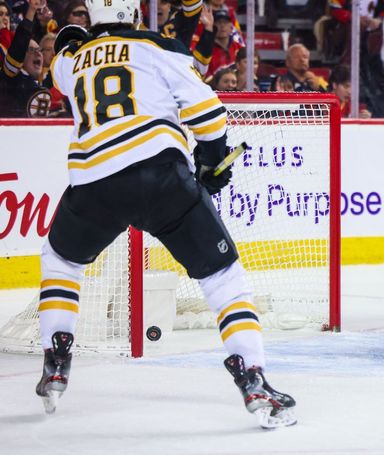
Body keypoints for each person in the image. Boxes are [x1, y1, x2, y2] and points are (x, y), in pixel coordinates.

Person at [35, 0, 296, 429]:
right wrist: (212, 161)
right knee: (223, 279)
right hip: (159, 176)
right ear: (134, 15)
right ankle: (252, 377)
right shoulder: (157, 46)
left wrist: (71, 40)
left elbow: (61, 53)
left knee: (61, 262)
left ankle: (57, 355)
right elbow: (208, 113)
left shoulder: (74, 62)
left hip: (94, 183)